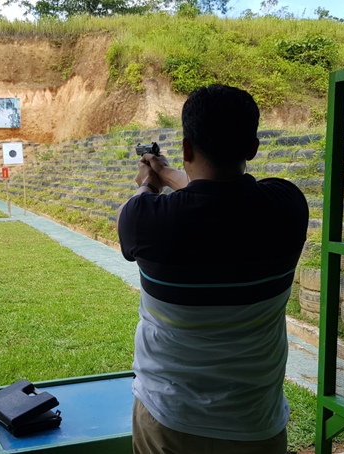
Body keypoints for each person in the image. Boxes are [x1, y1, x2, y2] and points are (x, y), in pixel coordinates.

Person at [117, 84, 309, 454]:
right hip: (257, 424)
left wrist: (149, 182)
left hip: (168, 420)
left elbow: (143, 206)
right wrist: (169, 172)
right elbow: (220, 197)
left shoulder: (145, 219)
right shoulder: (287, 206)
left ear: (187, 147)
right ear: (253, 148)